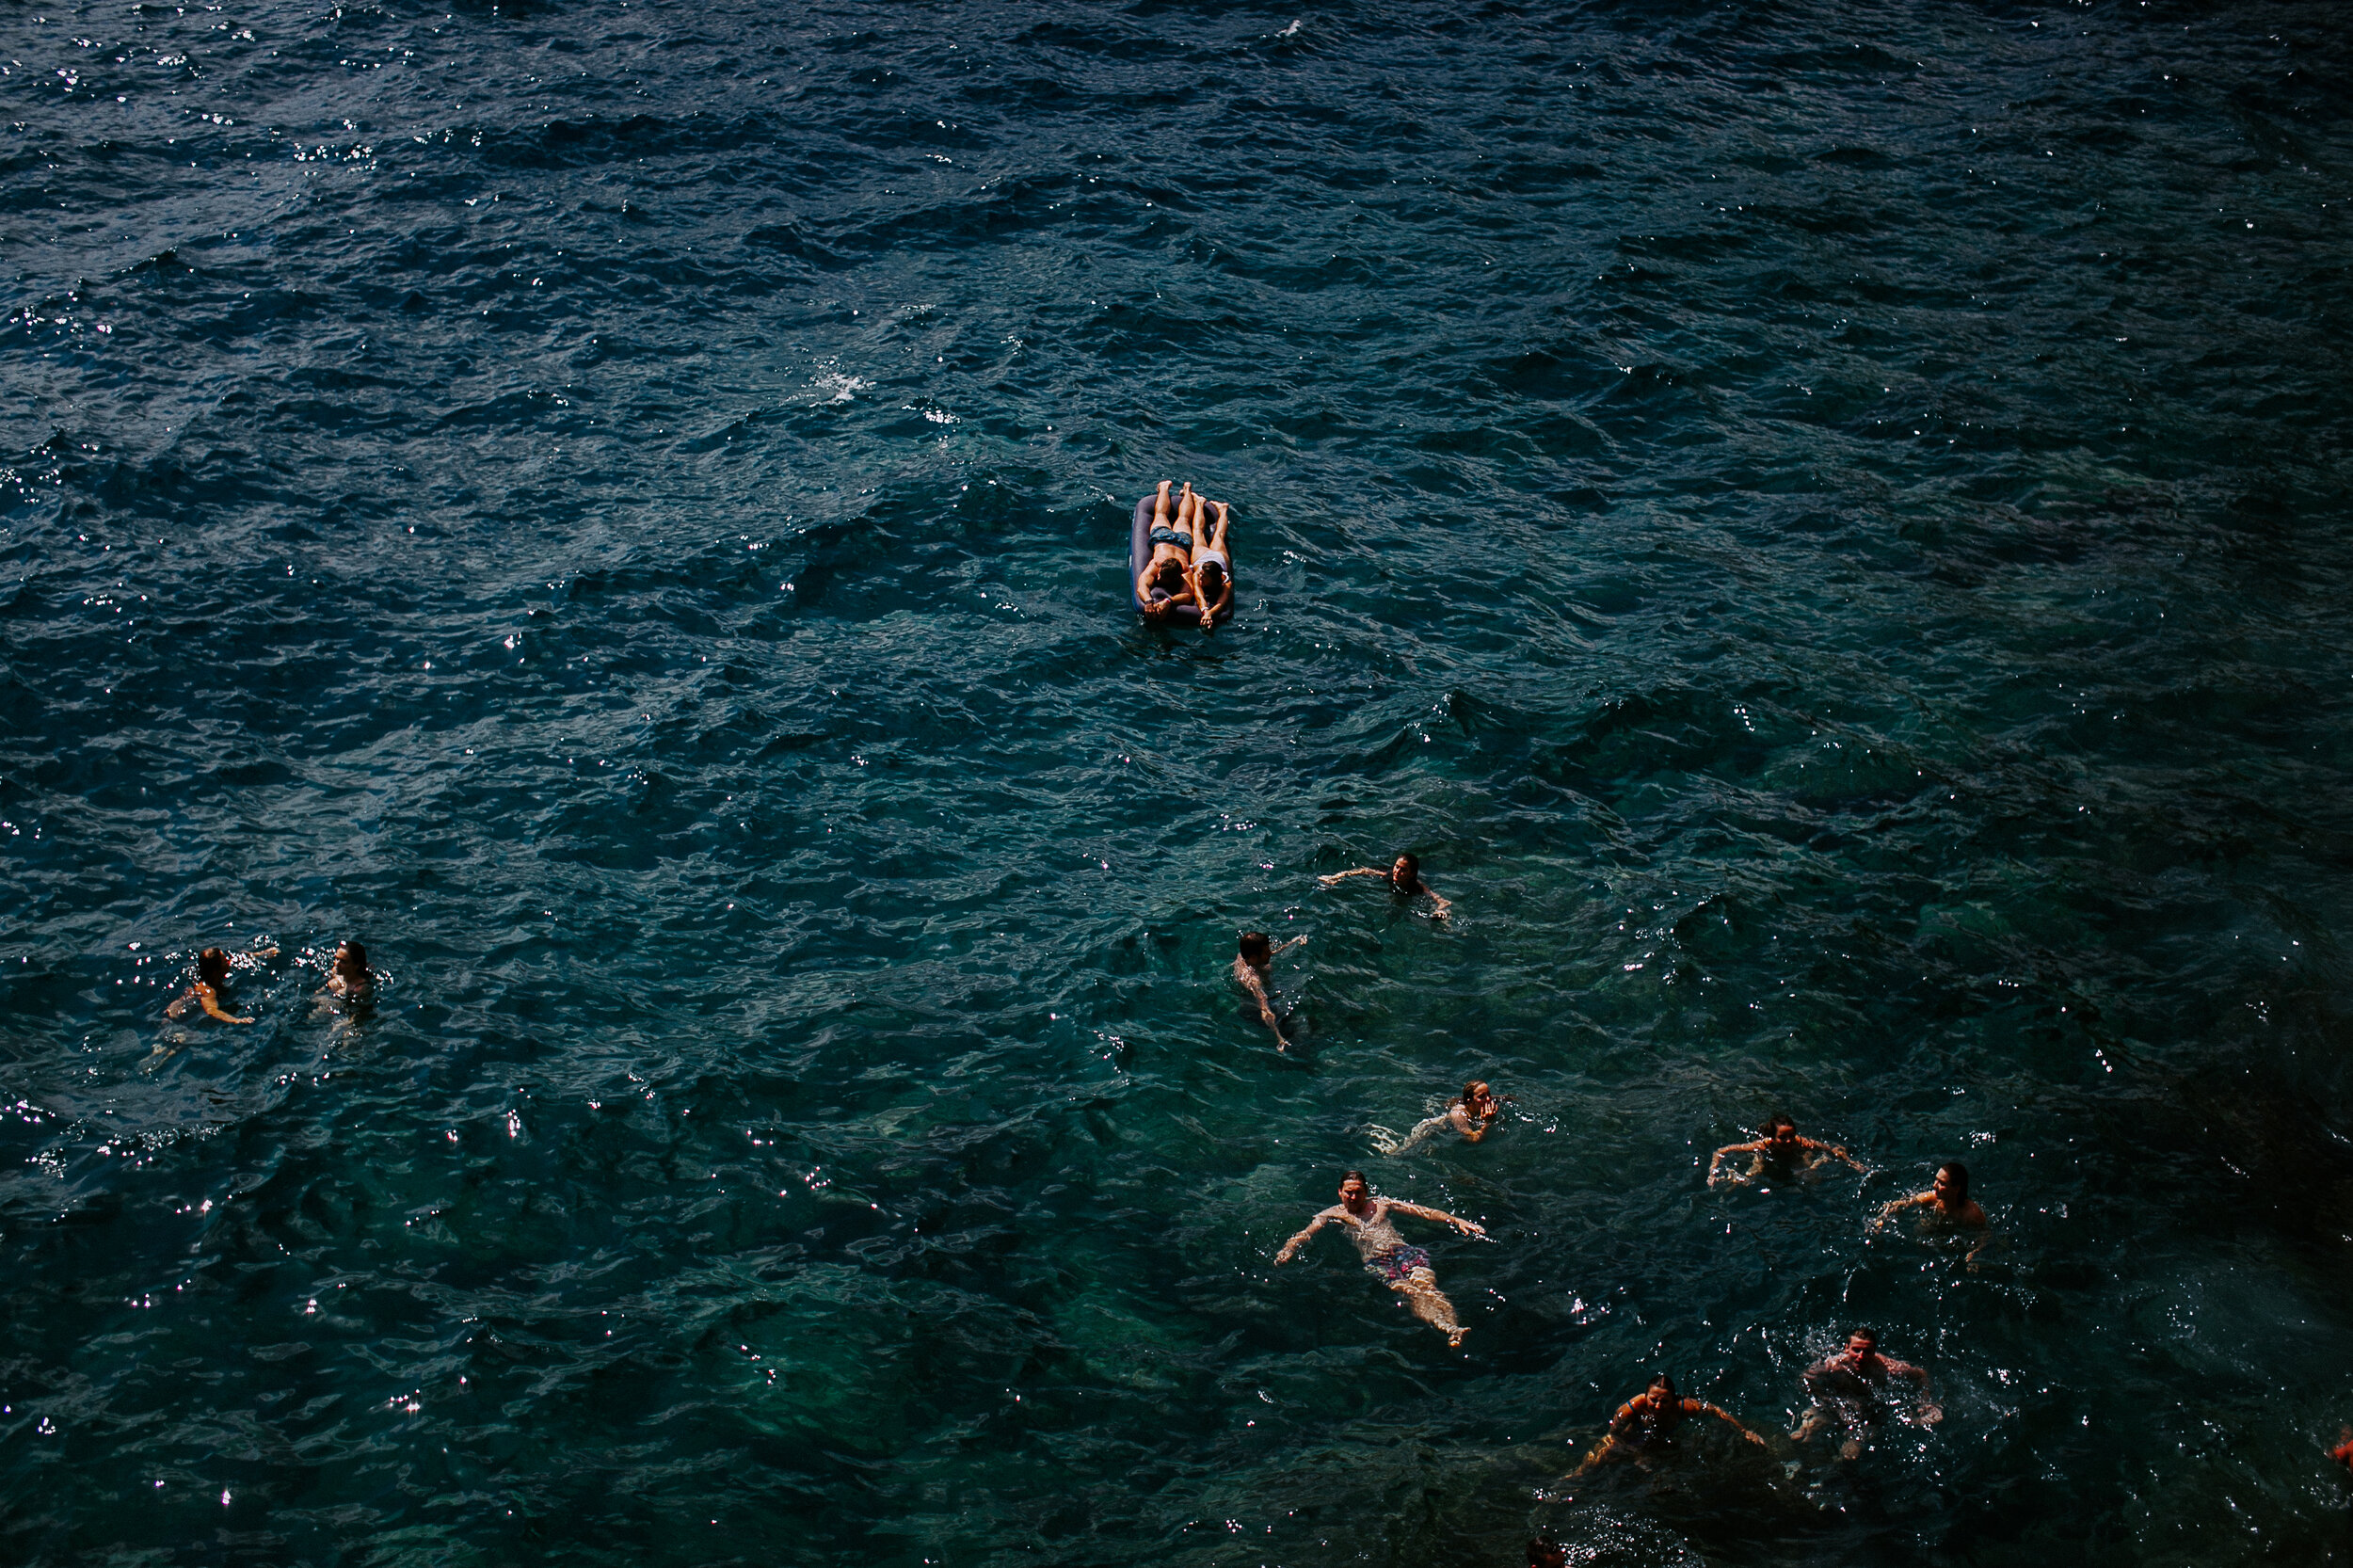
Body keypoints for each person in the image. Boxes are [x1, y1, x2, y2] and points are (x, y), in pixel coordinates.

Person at [1273, 1171, 1486, 1347]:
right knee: (1411, 1291)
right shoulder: (1331, 1214)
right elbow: (1306, 1233)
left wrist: (1456, 1220)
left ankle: (1455, 1328)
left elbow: (1424, 1212)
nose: (1353, 1198)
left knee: (1428, 1286)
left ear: (1366, 1191)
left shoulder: (1382, 1204)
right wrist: (1288, 1250)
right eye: (1349, 1193)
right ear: (1340, 1192)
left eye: (1358, 1192)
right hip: (1377, 1261)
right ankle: (1446, 1328)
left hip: (1403, 1251)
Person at [1575, 1372, 1769, 1475]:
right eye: (1653, 1400)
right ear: (1646, 1396)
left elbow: (1716, 1410)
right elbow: (1613, 1433)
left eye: (1664, 1401)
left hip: (1666, 1436)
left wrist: (1744, 1430)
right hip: (1636, 1434)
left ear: (1673, 1399)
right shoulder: (1632, 1407)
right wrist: (1630, 1451)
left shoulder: (1684, 1407)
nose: (1658, 1406)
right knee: (1603, 1453)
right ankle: (1575, 1477)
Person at [1793, 1328, 1939, 1459]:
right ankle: (1813, 1418)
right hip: (1839, 1400)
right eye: (1856, 1350)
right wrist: (1823, 1399)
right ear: (1846, 1349)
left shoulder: (1887, 1368)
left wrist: (1924, 1402)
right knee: (1821, 1419)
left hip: (1867, 1407)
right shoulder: (1833, 1365)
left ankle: (1855, 1439)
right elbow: (1804, 1380)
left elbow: (1921, 1375)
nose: (1861, 1356)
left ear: (1874, 1352)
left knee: (1870, 1419)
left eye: (1867, 1351)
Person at [1873, 1161, 1990, 1262]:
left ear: (1956, 1188)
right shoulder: (1930, 1199)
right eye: (1936, 1180)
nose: (1934, 1186)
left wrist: (1974, 1254)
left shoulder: (1971, 1214)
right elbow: (1899, 1204)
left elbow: (1985, 1237)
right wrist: (1882, 1219)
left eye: (1942, 1183)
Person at [1707, 1114, 1865, 1187]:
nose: (1788, 1140)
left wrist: (1852, 1163)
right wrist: (1712, 1171)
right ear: (1772, 1137)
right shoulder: (1762, 1145)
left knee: (1811, 1180)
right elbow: (1721, 1151)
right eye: (1782, 1137)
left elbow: (1831, 1148)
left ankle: (1819, 1161)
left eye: (1791, 1135)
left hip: (1794, 1158)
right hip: (1768, 1157)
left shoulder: (1801, 1142)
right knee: (1748, 1179)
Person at [1369, 1080, 1505, 1156]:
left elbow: (1501, 1098)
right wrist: (1487, 1123)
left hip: (1446, 1126)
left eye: (1489, 1094)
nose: (1488, 1099)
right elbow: (1472, 1139)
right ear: (1469, 1101)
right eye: (1482, 1096)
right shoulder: (1459, 1115)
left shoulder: (1483, 1103)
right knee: (1403, 1152)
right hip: (1432, 1129)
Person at [1319, 853, 1451, 920]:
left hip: (1406, 898)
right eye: (1396, 867)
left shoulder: (1418, 887)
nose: (1397, 872)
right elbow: (1363, 870)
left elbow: (1443, 901)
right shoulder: (1388, 875)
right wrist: (1335, 877)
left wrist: (1440, 910)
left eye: (1403, 870)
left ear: (1412, 874)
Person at [1233, 930, 1305, 1051]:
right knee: (1295, 1030)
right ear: (1254, 957)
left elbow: (1273, 951)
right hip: (1251, 1007)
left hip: (1265, 991)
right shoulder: (1253, 980)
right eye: (1266, 952)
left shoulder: (1245, 954)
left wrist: (1295, 941)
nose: (1271, 953)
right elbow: (1264, 1009)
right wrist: (1279, 1037)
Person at [1136, 480, 1198, 618]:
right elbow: (1142, 587)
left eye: (1161, 577)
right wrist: (1149, 601)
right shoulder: (1184, 570)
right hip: (1173, 541)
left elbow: (1188, 596)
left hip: (1169, 540)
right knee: (1182, 518)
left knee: (1163, 515)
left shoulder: (1158, 563)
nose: (1158, 576)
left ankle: (1167, 487)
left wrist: (1168, 601)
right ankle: (1186, 490)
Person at [166, 946, 260, 1025]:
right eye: (225, 961)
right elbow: (212, 1011)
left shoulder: (207, 974)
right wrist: (237, 1020)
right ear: (216, 971)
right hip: (179, 1021)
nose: (230, 962)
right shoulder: (208, 990)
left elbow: (237, 957)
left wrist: (260, 954)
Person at [1187, 499, 1235, 631]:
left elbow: (1222, 602)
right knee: (1198, 532)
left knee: (1217, 535)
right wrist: (1205, 610)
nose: (1200, 579)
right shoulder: (1198, 573)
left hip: (1218, 559)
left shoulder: (1225, 582)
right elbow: (1198, 594)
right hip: (1202, 558)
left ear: (1214, 579)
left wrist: (1210, 613)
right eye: (1201, 576)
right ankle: (1199, 503)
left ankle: (1223, 509)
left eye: (1204, 578)